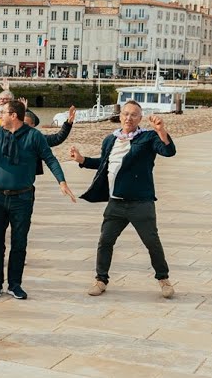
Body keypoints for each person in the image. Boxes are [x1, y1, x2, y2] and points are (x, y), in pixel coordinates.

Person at [68, 103, 177, 298]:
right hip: (116, 203)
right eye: (126, 114)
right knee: (105, 242)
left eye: (134, 115)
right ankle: (101, 280)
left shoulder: (148, 137)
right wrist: (82, 159)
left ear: (140, 119)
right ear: (120, 116)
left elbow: (168, 151)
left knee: (152, 242)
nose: (129, 118)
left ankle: (164, 280)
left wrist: (161, 131)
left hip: (141, 202)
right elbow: (104, 163)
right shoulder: (110, 139)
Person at [0, 99, 75, 300]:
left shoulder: (34, 136)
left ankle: (15, 284)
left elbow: (50, 159)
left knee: (19, 243)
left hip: (23, 198)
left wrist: (62, 182)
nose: (0, 116)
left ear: (13, 115)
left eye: (3, 113)